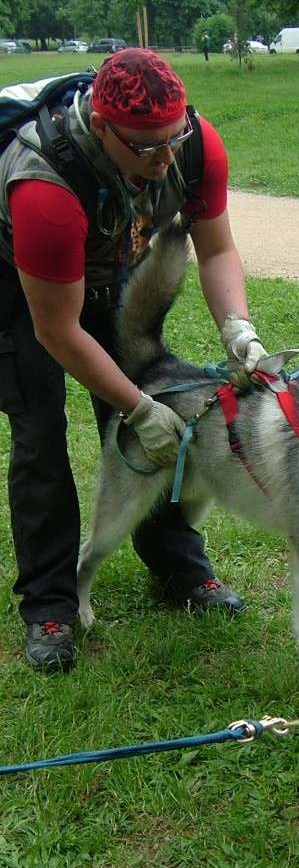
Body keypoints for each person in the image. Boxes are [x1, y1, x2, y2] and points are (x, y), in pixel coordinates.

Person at [0, 49, 271, 672]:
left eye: (172, 140)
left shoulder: (196, 145)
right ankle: (50, 603)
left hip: (106, 267)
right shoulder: (44, 183)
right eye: (147, 148)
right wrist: (136, 405)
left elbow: (218, 249)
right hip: (23, 288)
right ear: (101, 126)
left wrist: (239, 328)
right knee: (40, 433)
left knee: (165, 429)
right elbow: (58, 329)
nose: (166, 158)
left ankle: (178, 570)